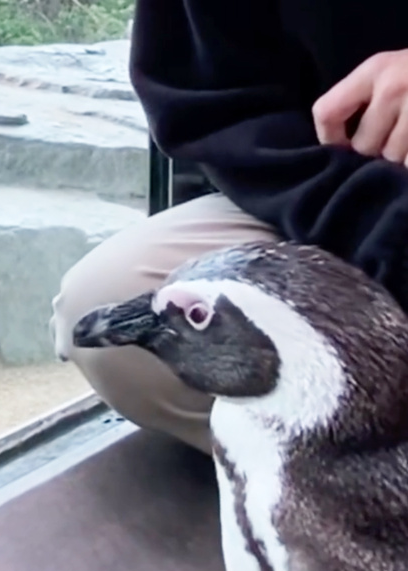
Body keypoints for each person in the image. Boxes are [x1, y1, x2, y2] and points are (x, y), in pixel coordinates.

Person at [50, 0, 408, 454]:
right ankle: (356, 497)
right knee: (115, 305)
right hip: (351, 201)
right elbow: (218, 109)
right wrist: (386, 232)